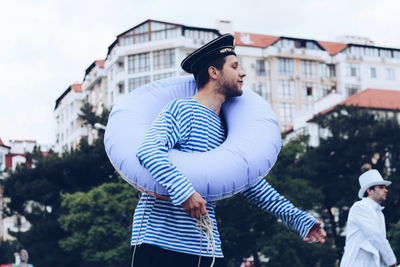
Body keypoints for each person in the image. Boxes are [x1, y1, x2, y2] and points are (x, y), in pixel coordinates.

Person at [131, 34, 326, 267]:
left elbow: (250, 182)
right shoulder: (182, 109)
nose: (242, 73)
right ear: (214, 72)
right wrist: (184, 193)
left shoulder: (227, 128)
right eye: (235, 67)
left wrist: (301, 220)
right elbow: (149, 150)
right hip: (159, 242)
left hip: (205, 245)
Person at [340, 169, 397, 267]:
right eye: (381, 187)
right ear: (369, 190)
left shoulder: (379, 213)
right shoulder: (360, 207)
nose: (386, 190)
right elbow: (376, 237)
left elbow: (379, 246)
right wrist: (391, 261)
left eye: (385, 187)